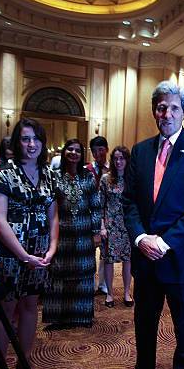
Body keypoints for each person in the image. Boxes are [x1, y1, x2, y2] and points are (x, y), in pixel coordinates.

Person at [112, 81, 184, 369]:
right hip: (145, 259)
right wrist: (142, 237)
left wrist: (165, 242)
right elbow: (128, 202)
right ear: (153, 111)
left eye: (173, 107)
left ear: (183, 112)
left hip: (182, 261)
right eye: (161, 107)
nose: (166, 113)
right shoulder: (140, 151)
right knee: (144, 327)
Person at [0, 118, 58, 369]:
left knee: (30, 307)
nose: (32, 145)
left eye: (37, 139)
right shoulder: (3, 174)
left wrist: (52, 248)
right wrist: (23, 255)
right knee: (6, 311)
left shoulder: (50, 175)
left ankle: (25, 359)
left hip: (40, 253)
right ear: (17, 142)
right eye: (26, 139)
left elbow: (53, 217)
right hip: (10, 254)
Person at [42, 139, 101, 328]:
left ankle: (81, 316)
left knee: (83, 272)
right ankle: (58, 317)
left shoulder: (88, 177)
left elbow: (96, 206)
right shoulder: (54, 177)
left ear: (82, 154)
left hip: (84, 234)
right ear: (64, 151)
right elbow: (47, 206)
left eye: (77, 150)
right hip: (60, 234)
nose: (74, 153)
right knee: (59, 272)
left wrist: (96, 232)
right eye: (70, 149)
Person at [99, 146, 132, 307]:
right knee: (108, 260)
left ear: (127, 160)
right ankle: (110, 294)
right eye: (116, 158)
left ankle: (127, 292)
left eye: (122, 158)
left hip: (127, 225)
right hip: (110, 225)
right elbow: (100, 205)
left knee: (128, 260)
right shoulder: (106, 179)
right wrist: (102, 226)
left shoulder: (132, 179)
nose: (119, 161)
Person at [86, 136, 110, 296]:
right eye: (94, 151)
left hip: (106, 215)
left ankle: (102, 284)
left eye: (101, 149)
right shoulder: (86, 169)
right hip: (88, 214)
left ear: (106, 150)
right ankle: (89, 283)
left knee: (105, 251)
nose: (98, 153)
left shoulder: (112, 169)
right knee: (88, 251)